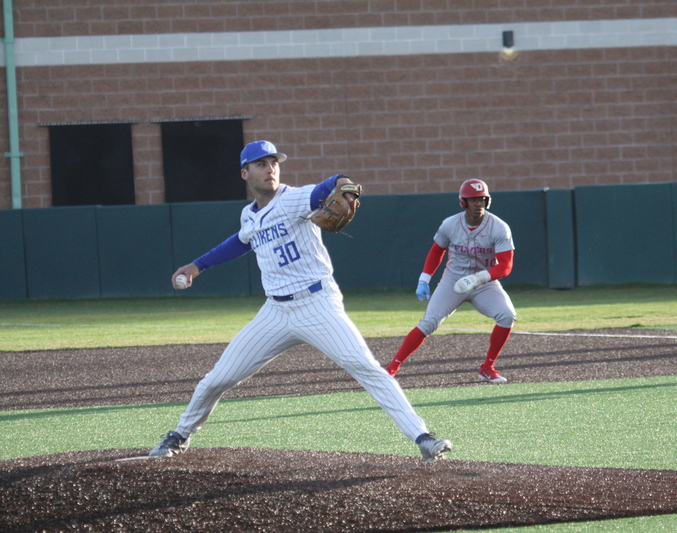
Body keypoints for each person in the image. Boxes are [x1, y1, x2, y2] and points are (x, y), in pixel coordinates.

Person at [149, 140, 451, 463]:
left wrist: (345, 188)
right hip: (276, 312)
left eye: (274, 162)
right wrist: (197, 266)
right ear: (244, 172)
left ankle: (422, 437)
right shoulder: (248, 216)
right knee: (217, 378)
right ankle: (179, 436)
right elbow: (239, 242)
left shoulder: (292, 199)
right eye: (261, 164)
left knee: (365, 366)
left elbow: (330, 184)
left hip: (317, 304)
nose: (270, 169)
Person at [384, 179, 516, 383]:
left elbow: (506, 266)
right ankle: (392, 368)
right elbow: (437, 250)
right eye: (473, 200)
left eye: (482, 199)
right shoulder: (451, 224)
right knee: (429, 322)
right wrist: (424, 279)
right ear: (464, 202)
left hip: (484, 281)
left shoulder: (499, 227)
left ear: (487, 201)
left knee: (507, 315)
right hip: (454, 279)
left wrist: (479, 278)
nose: (478, 204)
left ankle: (487, 367)